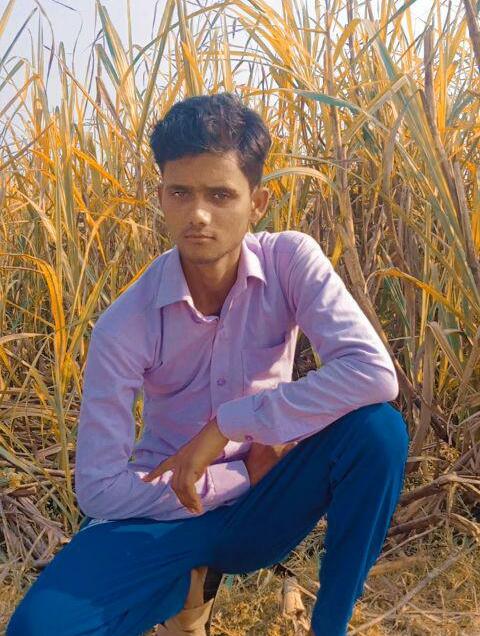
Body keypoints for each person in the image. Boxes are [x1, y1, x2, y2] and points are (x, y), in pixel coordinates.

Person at [6, 92, 409, 636]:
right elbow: (98, 488)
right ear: (161, 196)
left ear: (257, 203)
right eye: (181, 193)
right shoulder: (125, 324)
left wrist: (230, 424)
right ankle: (184, 591)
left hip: (266, 505)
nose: (198, 215)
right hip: (166, 507)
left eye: (220, 195)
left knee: (378, 431)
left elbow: (374, 373)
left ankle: (329, 627)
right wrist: (238, 473)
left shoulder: (290, 261)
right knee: (39, 629)